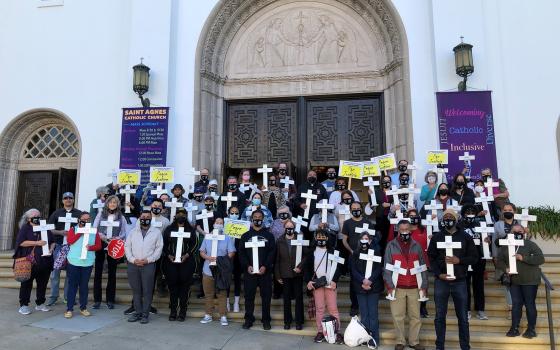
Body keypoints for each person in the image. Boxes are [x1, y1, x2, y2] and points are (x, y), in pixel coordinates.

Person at [428, 209, 477, 350]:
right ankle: (439, 346)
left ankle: (465, 346)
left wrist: (459, 260)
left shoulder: (465, 237)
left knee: (462, 317)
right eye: (445, 217)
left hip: (459, 281)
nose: (448, 219)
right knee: (439, 317)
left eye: (451, 217)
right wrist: (438, 274)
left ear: (456, 219)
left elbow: (474, 257)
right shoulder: (437, 237)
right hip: (442, 281)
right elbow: (431, 257)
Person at [384, 221, 427, 350]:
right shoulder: (391, 246)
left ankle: (414, 341)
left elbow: (422, 267)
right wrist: (389, 286)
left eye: (406, 229)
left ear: (410, 230)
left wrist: (423, 286)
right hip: (397, 287)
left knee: (415, 316)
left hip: (414, 286)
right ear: (397, 230)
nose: (404, 232)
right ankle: (400, 341)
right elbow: (387, 268)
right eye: (401, 229)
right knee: (398, 316)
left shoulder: (417, 245)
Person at [496, 224, 544, 339]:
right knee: (516, 305)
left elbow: (541, 259)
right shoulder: (505, 246)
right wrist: (505, 269)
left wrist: (523, 258)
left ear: (524, 232)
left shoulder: (530, 244)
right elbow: (499, 261)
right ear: (510, 233)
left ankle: (531, 329)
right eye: (514, 231)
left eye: (520, 231)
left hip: (530, 280)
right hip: (515, 281)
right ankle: (514, 328)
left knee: (529, 304)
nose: (517, 233)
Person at [304, 229, 344, 344]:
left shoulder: (334, 251)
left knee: (333, 309)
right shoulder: (311, 252)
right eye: (319, 237)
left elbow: (339, 268)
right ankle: (320, 331)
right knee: (320, 309)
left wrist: (335, 280)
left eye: (324, 237)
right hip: (318, 284)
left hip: (330, 285)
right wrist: (309, 281)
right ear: (315, 238)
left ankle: (336, 332)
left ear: (328, 238)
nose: (321, 239)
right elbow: (307, 269)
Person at [238, 210, 276, 330]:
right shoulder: (245, 236)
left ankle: (266, 320)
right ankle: (248, 319)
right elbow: (241, 253)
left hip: (265, 272)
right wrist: (247, 265)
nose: (257, 219)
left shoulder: (269, 236)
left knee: (266, 297)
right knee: (249, 297)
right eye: (255, 217)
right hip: (250, 272)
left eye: (260, 217)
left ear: (263, 219)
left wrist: (265, 265)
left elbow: (272, 252)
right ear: (251, 219)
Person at [125, 211, 163, 324]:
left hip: (148, 265)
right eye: (143, 217)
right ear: (139, 218)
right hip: (133, 265)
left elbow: (158, 249)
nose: (145, 219)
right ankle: (137, 312)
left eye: (147, 217)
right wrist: (132, 259)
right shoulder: (133, 232)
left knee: (147, 291)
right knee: (136, 291)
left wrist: (148, 260)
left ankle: (145, 314)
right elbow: (127, 247)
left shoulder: (156, 232)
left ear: (151, 219)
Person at [14, 209, 55, 315]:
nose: (37, 217)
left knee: (43, 283)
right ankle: (24, 305)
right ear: (28, 218)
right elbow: (21, 243)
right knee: (26, 284)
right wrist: (37, 243)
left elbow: (53, 241)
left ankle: (40, 303)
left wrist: (51, 249)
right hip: (30, 262)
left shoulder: (44, 226)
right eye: (34, 216)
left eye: (38, 215)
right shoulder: (25, 228)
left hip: (45, 261)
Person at [162, 208, 199, 322]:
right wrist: (168, 255)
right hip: (171, 262)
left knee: (184, 287)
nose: (181, 216)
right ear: (175, 215)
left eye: (183, 214)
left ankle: (183, 311)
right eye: (179, 214)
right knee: (173, 287)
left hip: (186, 262)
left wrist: (187, 255)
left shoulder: (190, 230)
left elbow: (195, 243)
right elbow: (163, 244)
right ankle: (173, 311)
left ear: (186, 216)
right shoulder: (169, 229)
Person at [45, 192, 82, 306]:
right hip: (59, 246)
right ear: (62, 200)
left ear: (73, 200)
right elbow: (49, 229)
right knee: (56, 272)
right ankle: (53, 296)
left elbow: (83, 228)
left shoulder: (79, 214)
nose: (68, 200)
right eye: (65, 198)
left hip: (73, 247)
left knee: (70, 273)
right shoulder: (57, 213)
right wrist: (60, 232)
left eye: (70, 198)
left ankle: (67, 297)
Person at [64, 211, 102, 318]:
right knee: (72, 286)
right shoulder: (73, 229)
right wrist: (81, 231)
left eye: (88, 219)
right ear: (79, 220)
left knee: (84, 286)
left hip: (87, 263)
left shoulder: (94, 231)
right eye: (84, 219)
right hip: (74, 262)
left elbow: (98, 245)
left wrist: (91, 248)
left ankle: (83, 307)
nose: (86, 221)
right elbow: (70, 240)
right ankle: (69, 309)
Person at [92, 195, 128, 309]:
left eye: (115, 202)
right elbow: (95, 228)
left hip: (114, 244)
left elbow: (124, 232)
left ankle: (110, 300)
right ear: (107, 203)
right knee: (98, 271)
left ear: (117, 204)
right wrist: (103, 237)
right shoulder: (100, 214)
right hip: (101, 243)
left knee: (112, 273)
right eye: (110, 202)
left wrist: (116, 238)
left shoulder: (121, 217)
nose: (112, 204)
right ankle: (97, 300)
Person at [199, 217, 236, 326]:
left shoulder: (227, 238)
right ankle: (208, 314)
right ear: (213, 224)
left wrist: (221, 260)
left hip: (221, 271)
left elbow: (232, 252)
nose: (219, 224)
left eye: (221, 223)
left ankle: (223, 316)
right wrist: (208, 257)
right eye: (217, 222)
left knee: (222, 294)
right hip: (208, 270)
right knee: (208, 294)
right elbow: (201, 251)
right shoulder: (208, 237)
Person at [342, 201, 376, 316]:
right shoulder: (347, 223)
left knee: (366, 278)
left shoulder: (367, 222)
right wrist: (351, 251)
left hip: (367, 258)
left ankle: (366, 304)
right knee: (353, 282)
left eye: (358, 208)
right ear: (350, 210)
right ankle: (354, 306)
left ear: (361, 209)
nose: (356, 210)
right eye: (353, 208)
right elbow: (344, 240)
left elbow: (372, 240)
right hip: (353, 257)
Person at [350, 231, 383, 348]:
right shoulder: (355, 254)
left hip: (373, 287)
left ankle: (374, 338)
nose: (365, 240)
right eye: (362, 238)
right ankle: (365, 337)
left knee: (373, 314)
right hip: (360, 287)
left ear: (370, 241)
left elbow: (379, 269)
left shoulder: (376, 252)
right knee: (364, 314)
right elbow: (353, 270)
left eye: (367, 239)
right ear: (360, 240)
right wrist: (363, 281)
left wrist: (370, 280)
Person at [275, 220, 308, 330]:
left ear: (294, 228)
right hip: (285, 273)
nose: (289, 229)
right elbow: (277, 260)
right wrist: (278, 275)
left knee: (299, 298)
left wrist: (300, 267)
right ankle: (287, 321)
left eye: (291, 227)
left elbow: (306, 256)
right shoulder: (279, 241)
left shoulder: (300, 238)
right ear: (284, 228)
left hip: (297, 273)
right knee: (286, 299)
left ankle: (299, 321)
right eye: (287, 227)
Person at [459, 204, 488, 321]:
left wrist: (487, 240)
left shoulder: (481, 225)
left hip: (478, 258)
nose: (470, 214)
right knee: (465, 285)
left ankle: (480, 309)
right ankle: (466, 310)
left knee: (479, 285)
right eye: (467, 212)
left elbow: (485, 240)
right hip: (464, 259)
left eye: (472, 212)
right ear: (463, 214)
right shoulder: (459, 225)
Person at [492, 202, 520, 316]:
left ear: (514, 211)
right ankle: (511, 308)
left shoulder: (520, 224)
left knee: (517, 283)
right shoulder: (498, 225)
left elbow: (525, 241)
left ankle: (518, 306)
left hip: (517, 257)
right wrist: (494, 256)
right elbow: (495, 241)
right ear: (502, 212)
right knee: (506, 282)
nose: (508, 211)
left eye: (510, 209)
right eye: (505, 210)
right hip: (503, 257)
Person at [226, 206, 243, 313]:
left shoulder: (242, 225)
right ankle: (227, 301)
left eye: (236, 213)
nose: (234, 214)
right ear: (228, 214)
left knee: (237, 279)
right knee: (226, 279)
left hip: (238, 257)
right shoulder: (225, 225)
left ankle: (236, 302)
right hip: (226, 256)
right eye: (232, 212)